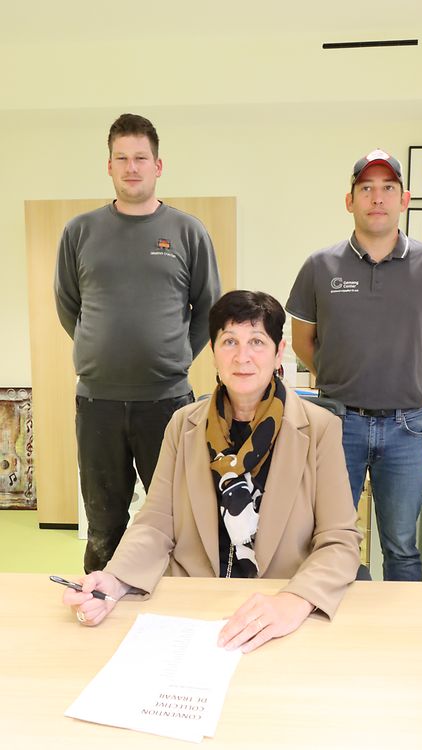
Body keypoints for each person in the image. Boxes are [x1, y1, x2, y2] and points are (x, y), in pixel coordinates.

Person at [61, 290, 362, 653]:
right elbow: (156, 523)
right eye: (229, 341)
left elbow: (339, 540)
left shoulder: (319, 429)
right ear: (214, 351)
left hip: (276, 606)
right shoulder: (183, 425)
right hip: (194, 605)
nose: (242, 357)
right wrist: (116, 578)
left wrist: (294, 601)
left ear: (278, 352)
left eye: (257, 342)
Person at [286, 149, 422, 581]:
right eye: (366, 188)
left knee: (401, 547)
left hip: (407, 428)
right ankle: (339, 616)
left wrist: (420, 386)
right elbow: (301, 341)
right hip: (338, 425)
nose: (377, 197)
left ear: (404, 200)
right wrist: (340, 379)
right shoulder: (320, 266)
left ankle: (398, 624)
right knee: (330, 539)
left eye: (388, 188)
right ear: (349, 201)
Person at [54, 113, 221, 573]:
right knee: (104, 525)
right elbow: (68, 305)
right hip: (98, 403)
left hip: (167, 402)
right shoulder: (80, 232)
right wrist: (98, 349)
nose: (132, 167)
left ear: (158, 166)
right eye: (122, 158)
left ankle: (176, 605)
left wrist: (175, 356)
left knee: (180, 521)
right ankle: (101, 601)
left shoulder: (187, 232)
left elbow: (209, 309)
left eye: (141, 158)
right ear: (108, 166)